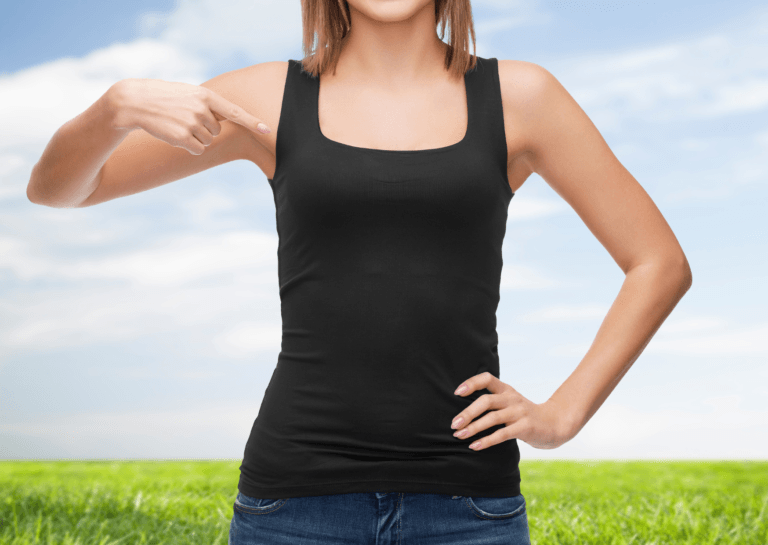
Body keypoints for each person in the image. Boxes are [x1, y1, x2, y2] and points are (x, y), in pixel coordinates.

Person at [27, 0, 692, 543]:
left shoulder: (522, 96)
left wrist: (563, 414)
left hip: (469, 510)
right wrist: (111, 109)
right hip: (292, 509)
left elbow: (658, 262)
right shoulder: (264, 97)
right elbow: (60, 190)